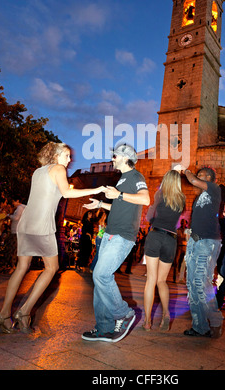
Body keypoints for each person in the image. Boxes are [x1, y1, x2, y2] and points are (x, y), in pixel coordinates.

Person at [0, 142, 106, 334]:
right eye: (66, 155)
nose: (69, 160)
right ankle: (25, 312)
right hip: (41, 224)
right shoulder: (59, 168)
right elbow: (67, 192)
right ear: (56, 155)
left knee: (21, 268)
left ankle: (3, 315)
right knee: (52, 268)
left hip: (26, 223)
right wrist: (96, 190)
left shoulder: (38, 171)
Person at [82, 143, 150, 343]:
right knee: (99, 280)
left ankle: (124, 314)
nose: (112, 159)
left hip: (122, 236)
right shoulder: (122, 179)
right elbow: (120, 207)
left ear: (125, 158)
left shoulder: (136, 177)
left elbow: (145, 199)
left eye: (115, 156)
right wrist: (101, 204)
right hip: (110, 234)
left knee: (101, 275)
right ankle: (104, 328)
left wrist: (118, 194)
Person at [177, 165, 223, 338]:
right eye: (199, 175)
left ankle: (216, 321)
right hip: (195, 242)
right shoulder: (198, 198)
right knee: (191, 285)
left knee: (202, 283)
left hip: (208, 242)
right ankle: (199, 326)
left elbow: (193, 180)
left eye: (203, 175)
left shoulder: (215, 189)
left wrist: (185, 171)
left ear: (211, 179)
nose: (199, 178)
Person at [143, 170, 185, 331]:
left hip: (156, 236)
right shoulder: (181, 199)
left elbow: (149, 217)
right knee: (162, 281)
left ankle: (147, 322)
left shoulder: (159, 194)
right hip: (171, 239)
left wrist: (153, 217)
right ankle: (166, 314)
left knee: (151, 280)